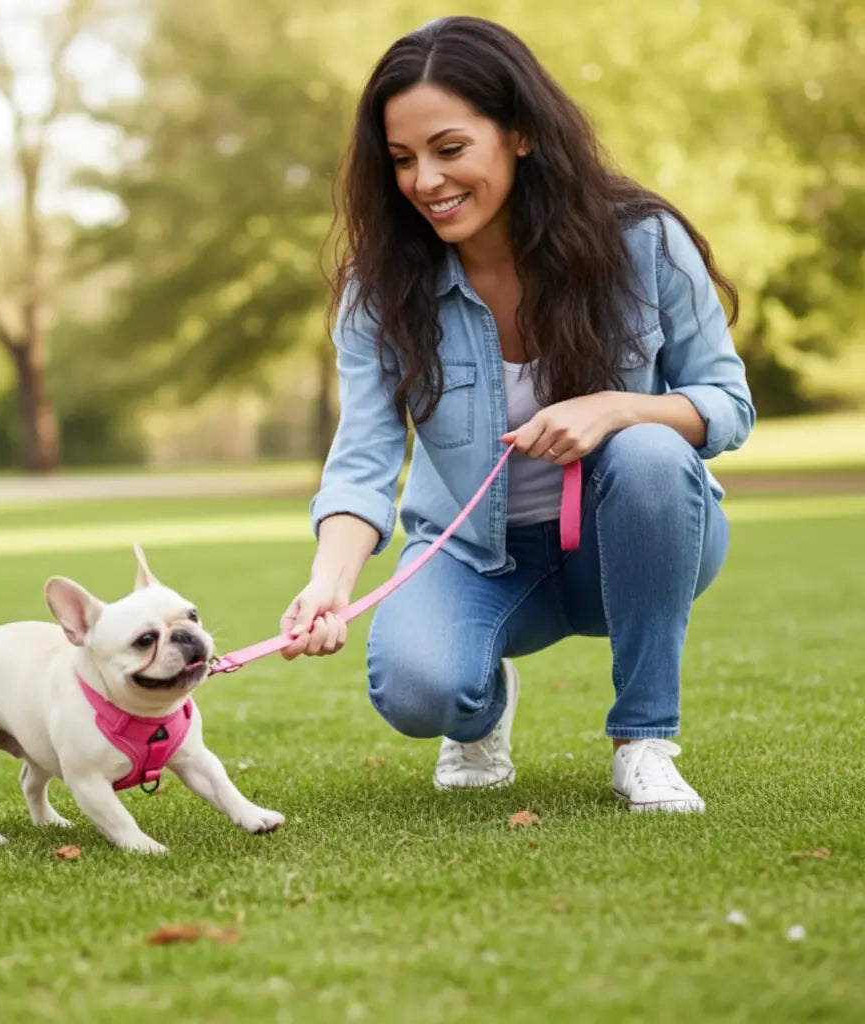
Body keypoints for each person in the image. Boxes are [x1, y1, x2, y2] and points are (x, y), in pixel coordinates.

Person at [279, 16, 754, 812]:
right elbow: (363, 456)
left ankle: (644, 740)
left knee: (647, 452)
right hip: (476, 559)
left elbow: (727, 407)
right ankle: (481, 706)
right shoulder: (380, 289)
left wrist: (613, 407)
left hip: (635, 542)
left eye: (449, 148)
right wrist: (329, 582)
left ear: (521, 134)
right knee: (417, 690)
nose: (425, 180)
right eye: (402, 160)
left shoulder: (645, 244)